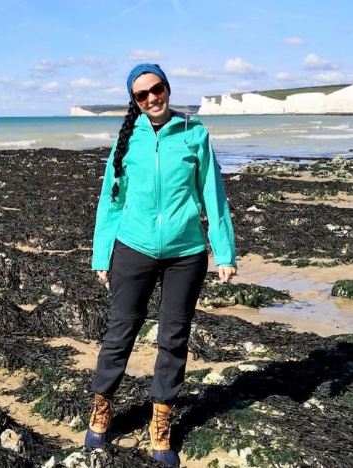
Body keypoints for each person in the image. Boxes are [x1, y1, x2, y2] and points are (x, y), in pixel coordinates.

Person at [85, 63, 237, 466]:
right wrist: (102, 256)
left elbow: (213, 195)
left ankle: (161, 421)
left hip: (186, 253)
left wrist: (224, 253)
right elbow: (110, 201)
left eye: (158, 88)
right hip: (132, 248)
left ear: (167, 88)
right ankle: (102, 407)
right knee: (120, 330)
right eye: (142, 94)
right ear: (134, 101)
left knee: (173, 338)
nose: (152, 98)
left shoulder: (194, 134)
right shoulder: (127, 141)